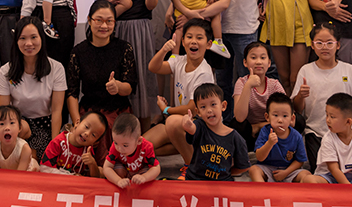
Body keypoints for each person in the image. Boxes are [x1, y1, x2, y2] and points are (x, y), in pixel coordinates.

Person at [145, 20, 217, 178]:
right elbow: (153, 67)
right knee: (144, 146)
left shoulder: (203, 72)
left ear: (209, 44)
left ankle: (192, 166)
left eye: (199, 38)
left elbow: (192, 109)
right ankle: (194, 153)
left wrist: (166, 109)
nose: (193, 41)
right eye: (189, 37)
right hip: (181, 124)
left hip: (200, 127)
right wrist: (164, 49)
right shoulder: (180, 60)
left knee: (172, 121)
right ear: (183, 41)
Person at [293, 23, 352, 170]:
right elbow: (297, 110)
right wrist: (300, 96)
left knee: (349, 171)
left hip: (346, 134)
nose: (325, 47)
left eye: (329, 43)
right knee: (323, 171)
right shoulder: (306, 71)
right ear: (312, 45)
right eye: (319, 43)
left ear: (338, 45)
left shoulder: (350, 71)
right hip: (315, 133)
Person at [116, 0, 170, 127]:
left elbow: (150, 6)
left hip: (138, 27)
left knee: (139, 83)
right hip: (118, 26)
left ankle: (144, 137)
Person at [66, 1, 138, 154]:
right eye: (99, 20)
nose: (104, 26)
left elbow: (130, 87)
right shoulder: (78, 52)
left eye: (109, 21)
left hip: (118, 111)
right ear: (89, 20)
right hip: (90, 113)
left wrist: (118, 86)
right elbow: (72, 92)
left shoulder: (124, 48)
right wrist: (77, 122)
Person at [0, 18, 67, 156]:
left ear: (42, 38)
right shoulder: (6, 70)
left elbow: (57, 111)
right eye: (22, 38)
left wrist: (54, 145)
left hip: (45, 125)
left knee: (35, 157)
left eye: (34, 37)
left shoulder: (56, 68)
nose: (28, 43)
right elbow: (3, 110)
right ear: (16, 41)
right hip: (17, 126)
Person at [180, 83, 250, 181]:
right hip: (195, 180)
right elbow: (193, 129)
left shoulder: (236, 138)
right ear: (198, 112)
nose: (209, 110)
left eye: (213, 104)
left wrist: (225, 174)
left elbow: (243, 166)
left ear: (223, 106)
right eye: (203, 107)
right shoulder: (200, 125)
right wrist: (188, 125)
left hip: (222, 184)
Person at [247, 93, 308, 183]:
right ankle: (263, 190)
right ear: (267, 117)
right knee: (253, 170)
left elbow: (300, 161)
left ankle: (294, 191)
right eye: (275, 115)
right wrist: (269, 143)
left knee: (306, 174)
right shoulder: (265, 131)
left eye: (285, 116)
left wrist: (286, 172)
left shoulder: (296, 136)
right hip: (267, 168)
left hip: (288, 170)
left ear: (292, 118)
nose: (280, 120)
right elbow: (259, 157)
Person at [232, 42, 286, 141]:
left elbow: (286, 113)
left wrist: (259, 126)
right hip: (249, 131)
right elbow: (239, 117)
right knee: (237, 125)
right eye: (253, 58)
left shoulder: (274, 84)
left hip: (271, 128)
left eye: (263, 58)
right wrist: (248, 85)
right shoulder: (241, 82)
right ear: (245, 62)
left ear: (269, 63)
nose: (258, 62)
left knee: (298, 121)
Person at [102, 113, 161, 189]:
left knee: (148, 180)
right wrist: (118, 180)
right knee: (117, 172)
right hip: (123, 168)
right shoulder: (116, 146)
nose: (119, 149)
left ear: (138, 141)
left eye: (125, 145)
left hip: (141, 169)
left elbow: (156, 168)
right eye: (116, 142)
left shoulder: (146, 147)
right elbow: (106, 167)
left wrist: (144, 177)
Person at [39, 111, 107, 177]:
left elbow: (95, 177)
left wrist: (92, 164)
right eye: (86, 127)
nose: (87, 133)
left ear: (95, 143)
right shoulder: (58, 142)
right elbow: (45, 168)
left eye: (93, 135)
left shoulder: (88, 150)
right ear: (77, 123)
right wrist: (71, 176)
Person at [0, 105, 39, 171]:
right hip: (6, 171)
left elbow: (20, 173)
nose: (7, 128)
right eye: (2, 124)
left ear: (19, 127)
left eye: (12, 123)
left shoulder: (24, 149)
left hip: (26, 172)